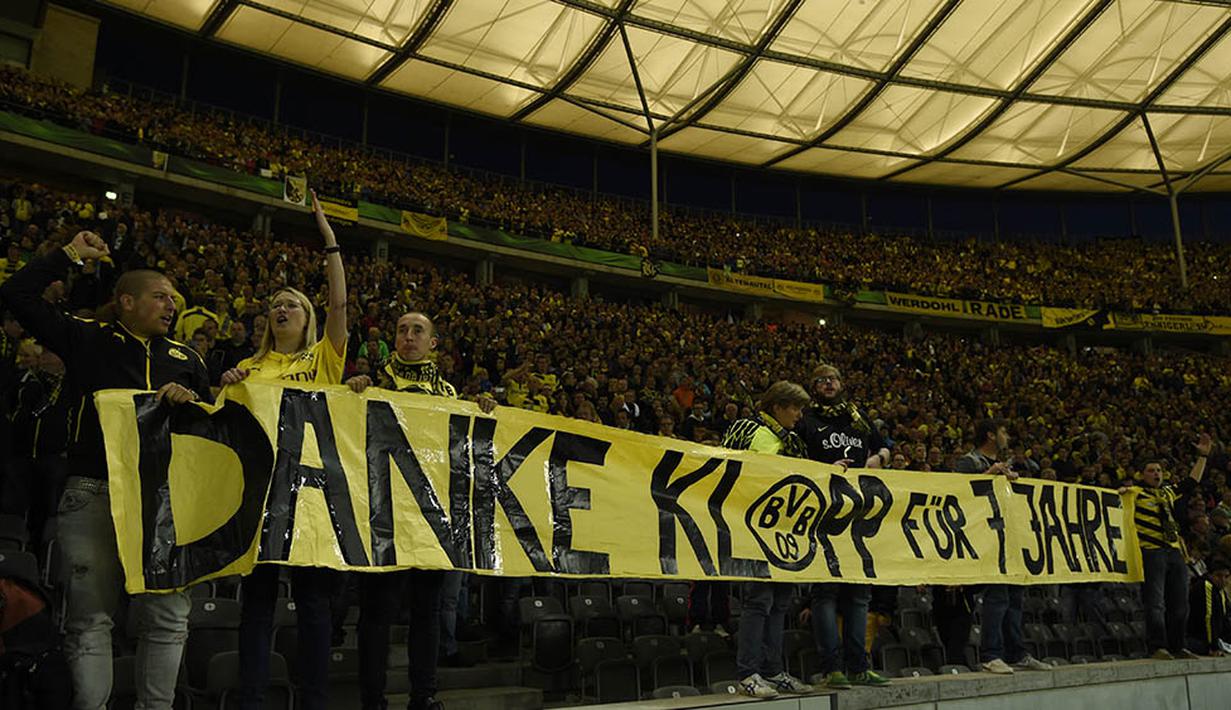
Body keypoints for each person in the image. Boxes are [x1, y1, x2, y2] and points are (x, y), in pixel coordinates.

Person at [0, 230, 211, 710]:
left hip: (165, 503)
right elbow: (16, 294)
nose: (170, 305)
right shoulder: (87, 338)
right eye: (159, 297)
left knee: (168, 618)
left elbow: (213, 439)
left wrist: (197, 402)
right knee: (91, 620)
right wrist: (69, 255)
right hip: (94, 491)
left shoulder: (189, 360)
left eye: (173, 299)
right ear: (127, 301)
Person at [219, 192, 349, 710]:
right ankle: (253, 699)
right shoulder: (248, 369)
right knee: (257, 605)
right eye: (275, 304)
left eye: (292, 303)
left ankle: (313, 700)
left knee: (314, 606)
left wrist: (329, 238)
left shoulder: (323, 360)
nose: (281, 307)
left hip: (310, 498)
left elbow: (340, 304)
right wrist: (225, 386)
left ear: (308, 317)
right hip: (258, 496)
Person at [346, 311, 496, 710]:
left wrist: (482, 410)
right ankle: (372, 700)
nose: (408, 336)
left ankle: (424, 696)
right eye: (401, 330)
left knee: (427, 613)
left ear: (433, 343)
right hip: (383, 515)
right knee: (377, 612)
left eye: (418, 331)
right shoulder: (373, 386)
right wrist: (352, 395)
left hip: (431, 519)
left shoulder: (450, 396)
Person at [795, 365, 890, 689]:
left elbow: (884, 445)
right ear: (813, 387)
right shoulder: (806, 421)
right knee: (826, 593)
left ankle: (859, 666)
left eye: (832, 378)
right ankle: (832, 668)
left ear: (841, 383)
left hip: (859, 512)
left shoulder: (856, 417)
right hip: (822, 512)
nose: (828, 384)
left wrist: (881, 457)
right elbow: (793, 461)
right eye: (820, 380)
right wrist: (824, 470)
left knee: (860, 594)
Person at [721, 381, 814, 699]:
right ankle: (748, 672)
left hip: (786, 531)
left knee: (780, 604)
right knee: (758, 602)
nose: (799, 416)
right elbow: (725, 468)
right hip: (752, 526)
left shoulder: (795, 442)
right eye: (795, 408)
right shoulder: (747, 429)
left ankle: (773, 670)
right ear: (777, 406)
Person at [953, 418, 1051, 674]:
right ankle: (990, 654)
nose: (1007, 436)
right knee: (997, 597)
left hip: (1009, 537)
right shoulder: (969, 462)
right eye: (1003, 431)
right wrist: (990, 476)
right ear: (990, 435)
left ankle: (1016, 652)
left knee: (1015, 598)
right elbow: (958, 493)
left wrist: (1011, 482)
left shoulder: (1003, 464)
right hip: (986, 538)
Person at [1121, 434, 1211, 660]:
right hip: (1151, 551)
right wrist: (1120, 492)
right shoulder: (1135, 493)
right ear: (1142, 475)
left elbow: (1191, 482)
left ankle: (1178, 646)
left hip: (1175, 552)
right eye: (1151, 471)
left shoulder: (1169, 492)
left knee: (1181, 603)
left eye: (1159, 470)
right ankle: (1157, 646)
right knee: (1155, 603)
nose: (1156, 474)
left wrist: (1203, 456)